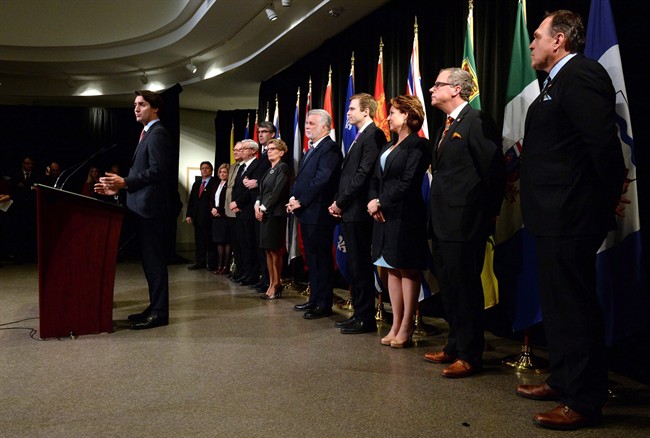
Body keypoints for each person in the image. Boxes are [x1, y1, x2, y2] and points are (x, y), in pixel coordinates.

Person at [516, 10, 624, 430]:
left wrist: (599, 208)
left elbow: (603, 148)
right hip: (550, 217)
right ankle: (562, 380)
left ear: (558, 40)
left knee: (575, 308)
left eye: (537, 36)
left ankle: (584, 399)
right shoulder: (555, 82)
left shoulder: (580, 74)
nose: (532, 44)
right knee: (558, 306)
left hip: (572, 217)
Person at [423, 68, 505, 377]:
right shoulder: (447, 125)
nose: (432, 89)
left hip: (466, 222)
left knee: (466, 288)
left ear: (456, 89)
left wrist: (487, 214)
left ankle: (471, 355)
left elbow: (493, 171)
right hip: (443, 222)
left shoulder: (476, 121)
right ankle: (455, 345)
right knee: (450, 287)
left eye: (438, 84)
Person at [95, 90, 173, 330]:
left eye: (142, 104)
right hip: (141, 207)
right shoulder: (147, 133)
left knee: (155, 262)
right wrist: (119, 189)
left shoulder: (158, 134)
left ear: (155, 108)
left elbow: (157, 171)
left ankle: (160, 312)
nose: (136, 109)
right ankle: (154, 306)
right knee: (149, 263)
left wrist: (125, 182)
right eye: (135, 105)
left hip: (152, 210)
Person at [366, 95, 430, 348]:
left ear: (407, 116)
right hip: (383, 215)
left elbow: (409, 181)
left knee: (407, 268)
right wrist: (373, 202)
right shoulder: (388, 146)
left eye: (393, 112)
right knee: (390, 266)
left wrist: (380, 202)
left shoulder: (419, 146)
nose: (388, 117)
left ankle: (407, 326)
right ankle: (395, 323)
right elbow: (374, 179)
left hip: (405, 215)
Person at [329, 93, 386, 334]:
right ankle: (360, 314)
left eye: (352, 109)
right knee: (355, 265)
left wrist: (340, 201)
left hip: (359, 211)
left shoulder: (373, 134)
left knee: (360, 265)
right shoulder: (359, 136)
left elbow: (363, 174)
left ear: (366, 111)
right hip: (350, 210)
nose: (348, 112)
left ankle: (366, 319)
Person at [288, 109, 342, 319]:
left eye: (311, 123)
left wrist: (301, 200)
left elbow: (322, 180)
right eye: (307, 123)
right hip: (306, 212)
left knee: (321, 260)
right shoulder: (310, 149)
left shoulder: (330, 149)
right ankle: (314, 300)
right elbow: (300, 179)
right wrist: (293, 198)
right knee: (312, 260)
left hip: (318, 213)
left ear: (325, 127)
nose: (307, 126)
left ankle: (324, 304)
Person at [255, 138, 290, 299]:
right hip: (266, 214)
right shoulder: (269, 170)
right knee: (268, 250)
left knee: (275, 251)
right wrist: (257, 204)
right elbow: (262, 191)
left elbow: (277, 191)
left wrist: (263, 207)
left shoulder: (283, 168)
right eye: (268, 149)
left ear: (281, 152)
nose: (269, 151)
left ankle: (277, 284)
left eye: (273, 149)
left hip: (275, 214)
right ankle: (271, 282)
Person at [230, 139, 266, 286]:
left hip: (248, 210)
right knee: (242, 243)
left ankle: (252, 274)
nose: (241, 151)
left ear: (253, 151)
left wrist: (238, 203)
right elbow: (235, 187)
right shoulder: (241, 167)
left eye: (245, 149)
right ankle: (244, 272)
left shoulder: (257, 165)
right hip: (239, 210)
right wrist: (234, 203)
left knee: (250, 243)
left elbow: (250, 190)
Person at [249, 121, 276, 292]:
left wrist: (256, 182)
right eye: (259, 132)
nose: (260, 135)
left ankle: (269, 280)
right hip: (258, 203)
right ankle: (263, 278)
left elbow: (271, 180)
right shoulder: (263, 154)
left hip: (269, 207)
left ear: (272, 134)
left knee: (268, 247)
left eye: (264, 132)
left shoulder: (274, 154)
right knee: (260, 246)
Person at [186, 161, 218, 270]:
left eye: (207, 168)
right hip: (197, 218)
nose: (204, 170)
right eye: (202, 168)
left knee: (210, 242)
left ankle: (212, 264)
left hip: (209, 217)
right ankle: (200, 263)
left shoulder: (215, 182)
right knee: (199, 242)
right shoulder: (196, 184)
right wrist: (189, 215)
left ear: (211, 170)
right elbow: (192, 201)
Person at [225, 143, 244, 279]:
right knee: (234, 243)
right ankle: (236, 269)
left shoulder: (244, 167)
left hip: (239, 209)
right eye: (234, 150)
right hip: (228, 209)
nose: (235, 152)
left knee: (241, 242)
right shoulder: (232, 167)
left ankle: (242, 270)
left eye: (239, 150)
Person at [209, 163, 231, 274]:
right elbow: (211, 199)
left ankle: (226, 266)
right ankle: (219, 265)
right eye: (221, 172)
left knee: (226, 241)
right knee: (219, 242)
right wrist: (213, 209)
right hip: (215, 216)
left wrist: (219, 211)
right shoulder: (217, 184)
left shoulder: (229, 185)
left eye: (225, 172)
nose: (222, 174)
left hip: (225, 216)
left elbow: (227, 201)